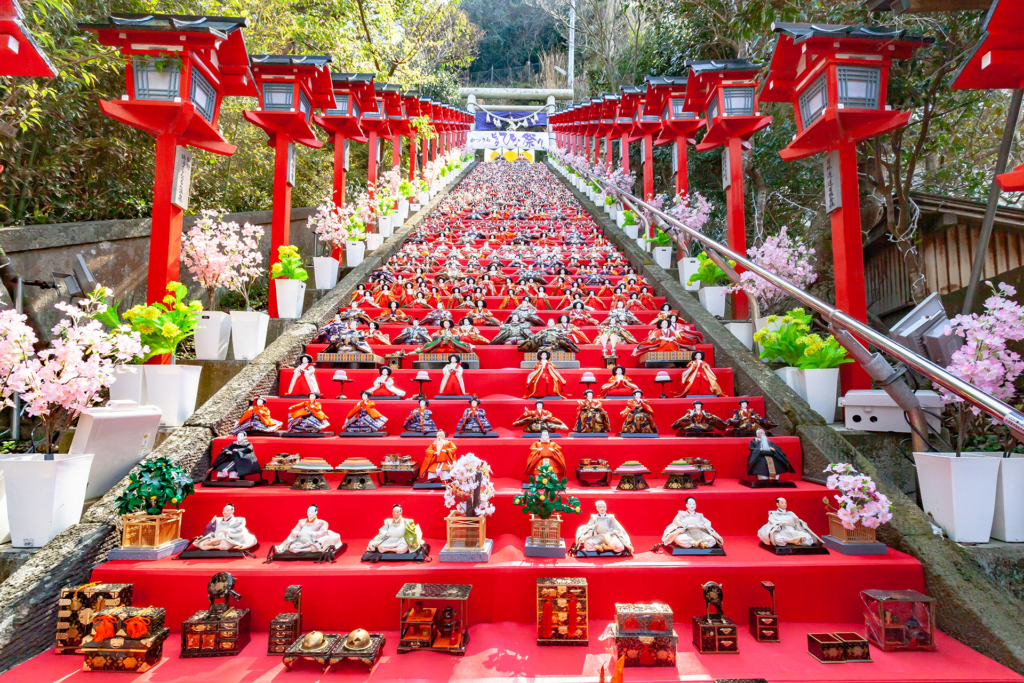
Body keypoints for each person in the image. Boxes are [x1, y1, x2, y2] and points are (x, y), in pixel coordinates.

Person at [276, 504, 344, 553]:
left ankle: (301, 549)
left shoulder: (322, 522)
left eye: (311, 512)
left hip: (312, 539)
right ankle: (301, 546)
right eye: (308, 512)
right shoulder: (301, 522)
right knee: (290, 547)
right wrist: (297, 533)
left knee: (321, 543)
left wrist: (313, 534)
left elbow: (323, 532)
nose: (309, 513)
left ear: (316, 512)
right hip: (300, 540)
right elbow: (295, 530)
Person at [757, 497, 822, 547]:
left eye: (785, 503)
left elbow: (798, 524)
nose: (784, 504)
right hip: (781, 531)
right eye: (782, 503)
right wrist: (780, 523)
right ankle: (793, 541)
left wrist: (797, 521)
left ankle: (798, 540)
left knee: (808, 537)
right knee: (778, 540)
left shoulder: (791, 513)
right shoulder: (773, 514)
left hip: (792, 530)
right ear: (777, 504)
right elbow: (772, 524)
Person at [193, 504, 258, 552]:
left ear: (232, 511)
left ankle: (211, 546)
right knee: (201, 544)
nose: (225, 512)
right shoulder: (218, 520)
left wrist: (228, 530)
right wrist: (211, 523)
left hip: (231, 538)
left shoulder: (239, 520)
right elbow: (209, 530)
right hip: (216, 538)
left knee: (223, 545)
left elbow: (239, 530)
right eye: (224, 510)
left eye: (227, 510)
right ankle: (208, 545)